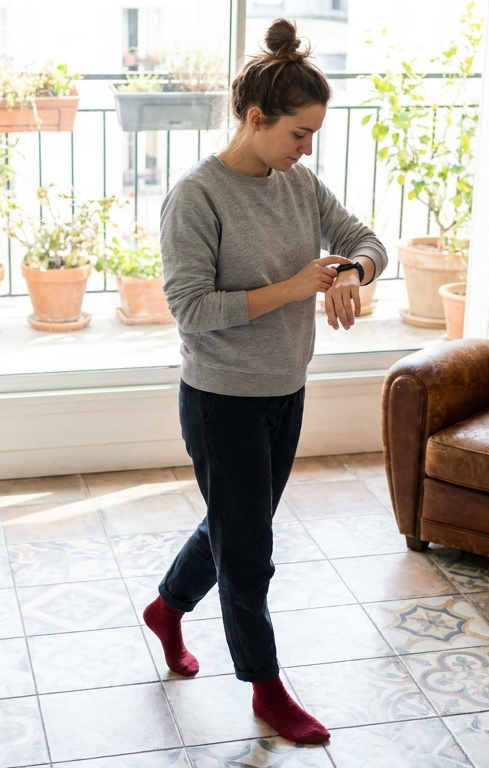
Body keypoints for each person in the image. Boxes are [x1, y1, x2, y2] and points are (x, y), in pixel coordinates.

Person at [141, 18, 386, 746]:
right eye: (298, 133)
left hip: (286, 390)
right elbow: (191, 309)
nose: (306, 148)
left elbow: (368, 241)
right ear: (255, 118)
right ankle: (266, 688)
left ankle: (167, 608)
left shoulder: (298, 185)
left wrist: (352, 271)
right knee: (249, 551)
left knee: (235, 525)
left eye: (312, 135)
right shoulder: (197, 197)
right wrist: (296, 287)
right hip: (221, 401)